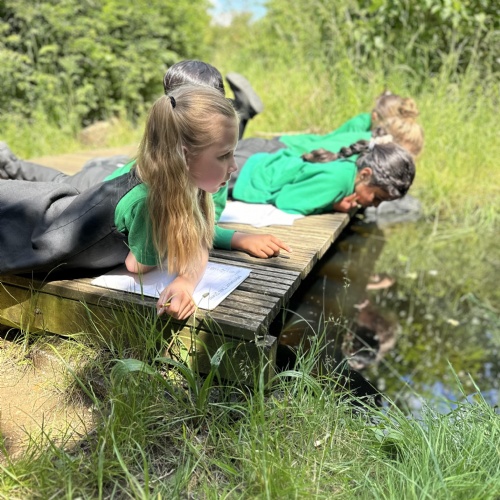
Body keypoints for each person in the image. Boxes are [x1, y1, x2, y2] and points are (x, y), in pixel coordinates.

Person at [0, 60, 289, 260]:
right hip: (103, 185)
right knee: (61, 184)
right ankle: (9, 162)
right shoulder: (161, 176)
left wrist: (235, 238)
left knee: (72, 176)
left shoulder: (208, 173)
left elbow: (198, 225)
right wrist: (236, 238)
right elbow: (188, 229)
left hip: (118, 172)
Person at [0, 84, 240, 320]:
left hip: (47, 210)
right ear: (184, 157)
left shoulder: (181, 184)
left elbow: (198, 241)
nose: (234, 166)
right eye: (223, 155)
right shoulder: (149, 203)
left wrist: (186, 281)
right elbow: (137, 266)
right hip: (25, 231)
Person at [231, 137, 416, 216]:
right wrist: (331, 205)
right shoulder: (338, 182)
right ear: (365, 174)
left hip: (261, 154)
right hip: (244, 172)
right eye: (377, 197)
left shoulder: (348, 170)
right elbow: (286, 202)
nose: (375, 205)